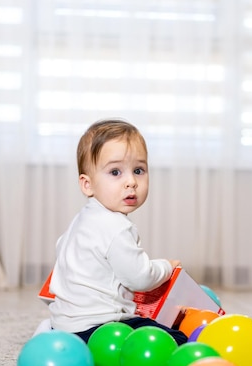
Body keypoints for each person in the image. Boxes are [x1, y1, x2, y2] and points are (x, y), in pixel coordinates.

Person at [47, 118, 187, 345]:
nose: (131, 182)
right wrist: (166, 267)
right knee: (174, 338)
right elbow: (140, 278)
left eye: (139, 170)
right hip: (100, 328)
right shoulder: (117, 228)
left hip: (64, 326)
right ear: (87, 184)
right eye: (115, 172)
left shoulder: (81, 220)